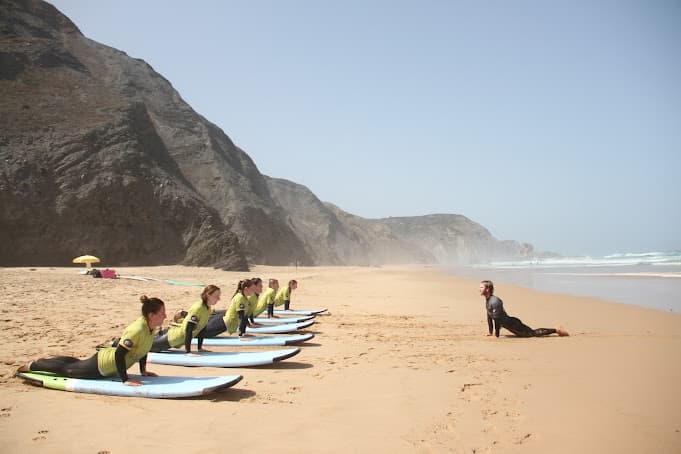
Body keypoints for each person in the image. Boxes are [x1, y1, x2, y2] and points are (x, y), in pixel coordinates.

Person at [17, 296, 167, 386]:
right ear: (151, 315)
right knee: (69, 370)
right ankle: (33, 365)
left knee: (75, 363)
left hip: (108, 364)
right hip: (102, 366)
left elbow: (143, 349)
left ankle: (46, 361)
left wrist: (143, 371)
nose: (165, 316)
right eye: (162, 313)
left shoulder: (150, 327)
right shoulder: (137, 330)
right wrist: (125, 380)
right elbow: (119, 355)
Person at [479, 280, 569, 338]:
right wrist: (491, 332)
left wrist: (497, 335)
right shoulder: (488, 300)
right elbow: (489, 317)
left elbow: (497, 319)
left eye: (481, 287)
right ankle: (555, 330)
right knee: (531, 333)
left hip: (513, 324)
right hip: (508, 324)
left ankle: (556, 330)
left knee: (533, 333)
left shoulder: (494, 301)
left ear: (487, 289)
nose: (479, 289)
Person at [150, 284, 221, 353]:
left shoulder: (207, 308)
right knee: (145, 348)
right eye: (216, 296)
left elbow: (202, 328)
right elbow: (188, 330)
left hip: (177, 339)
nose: (219, 299)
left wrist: (200, 348)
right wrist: (188, 351)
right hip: (172, 338)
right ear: (208, 295)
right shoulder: (198, 308)